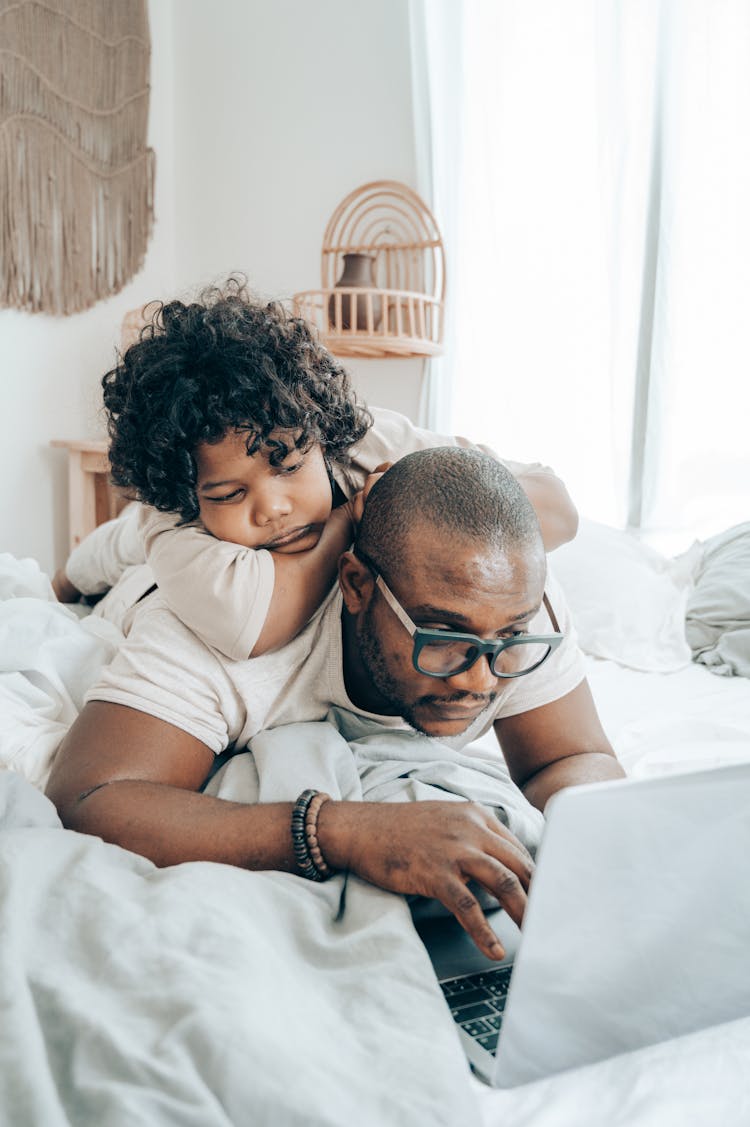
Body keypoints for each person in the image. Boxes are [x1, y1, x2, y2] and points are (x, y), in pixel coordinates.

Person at [46, 447, 623, 960]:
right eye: (443, 639)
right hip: (140, 586)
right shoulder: (218, 632)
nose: (480, 679)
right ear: (356, 586)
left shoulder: (510, 606)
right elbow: (89, 798)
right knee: (119, 551)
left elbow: (568, 758)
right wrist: (344, 832)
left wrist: (595, 844)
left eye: (509, 638)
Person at [52, 279, 578, 661]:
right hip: (146, 581)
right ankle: (58, 582)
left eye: (289, 466)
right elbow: (252, 626)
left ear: (321, 437)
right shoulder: (168, 520)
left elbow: (558, 512)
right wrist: (350, 519)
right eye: (230, 494)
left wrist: (404, 497)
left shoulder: (368, 444)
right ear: (188, 497)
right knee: (111, 558)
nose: (272, 508)